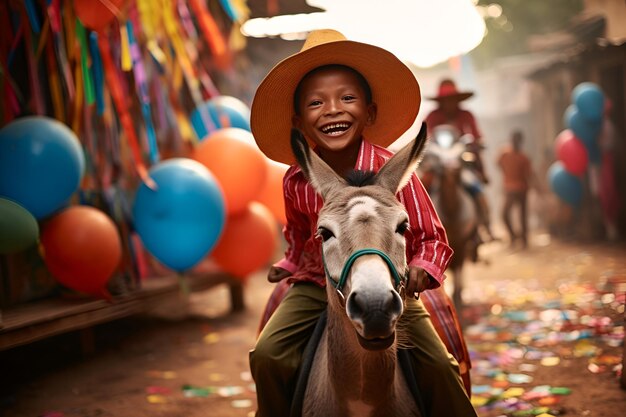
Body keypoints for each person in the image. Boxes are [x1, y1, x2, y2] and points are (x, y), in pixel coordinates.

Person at [249, 29, 477, 417]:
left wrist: (423, 268)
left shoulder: (395, 172)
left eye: (347, 98)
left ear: (369, 112)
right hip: (316, 284)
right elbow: (300, 237)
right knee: (268, 356)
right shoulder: (296, 179)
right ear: (300, 120)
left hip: (388, 280)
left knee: (439, 365)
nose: (333, 109)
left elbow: (433, 237)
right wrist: (289, 264)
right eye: (316, 102)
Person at [424, 78, 495, 247]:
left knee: (475, 187)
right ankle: (420, 232)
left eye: (452, 100)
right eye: (446, 101)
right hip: (438, 165)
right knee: (422, 190)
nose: (449, 104)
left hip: (461, 164)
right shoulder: (432, 116)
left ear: (457, 100)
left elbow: (476, 136)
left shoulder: (466, 115)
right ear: (441, 102)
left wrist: (477, 143)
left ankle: (484, 226)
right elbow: (426, 138)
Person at [497, 130, 533, 248]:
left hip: (521, 189)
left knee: (522, 215)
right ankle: (514, 237)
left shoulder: (524, 157)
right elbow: (499, 164)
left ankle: (523, 240)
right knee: (505, 214)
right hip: (511, 188)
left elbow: (528, 174)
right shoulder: (504, 154)